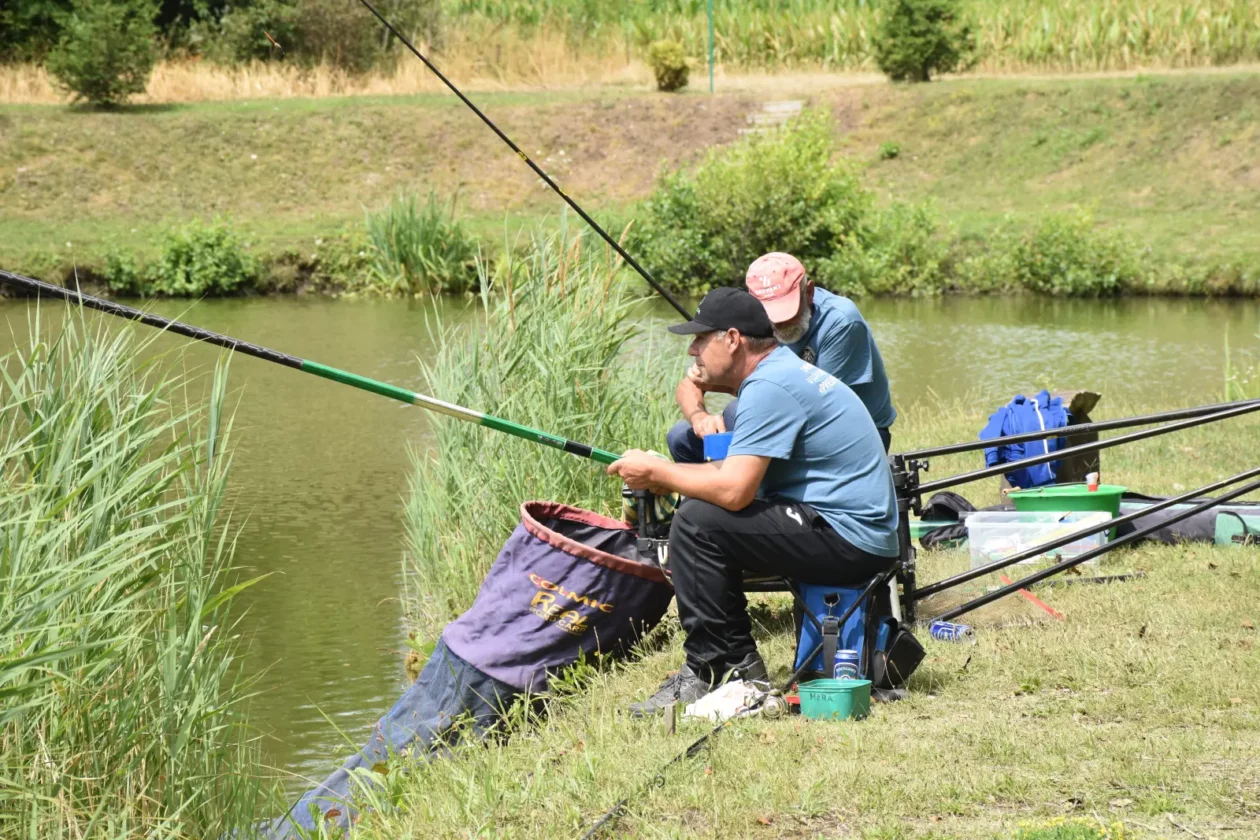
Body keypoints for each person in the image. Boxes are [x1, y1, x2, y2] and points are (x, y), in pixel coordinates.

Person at [608, 287, 900, 717]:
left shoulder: (770, 387)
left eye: (699, 338)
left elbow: (733, 491)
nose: (692, 349)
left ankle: (719, 668)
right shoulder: (777, 374)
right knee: (700, 515)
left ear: (732, 338)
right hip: (853, 531)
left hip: (852, 539)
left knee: (695, 523)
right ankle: (733, 666)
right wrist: (667, 477)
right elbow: (730, 475)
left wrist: (658, 473)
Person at [666, 252, 896, 462]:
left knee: (736, 412)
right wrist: (700, 419)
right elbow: (690, 385)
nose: (778, 323)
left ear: (809, 292)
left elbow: (818, 407)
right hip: (781, 416)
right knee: (680, 438)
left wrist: (732, 387)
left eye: (786, 310)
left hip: (855, 435)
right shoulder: (748, 320)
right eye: (768, 313)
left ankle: (744, 496)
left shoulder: (841, 322)